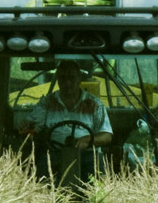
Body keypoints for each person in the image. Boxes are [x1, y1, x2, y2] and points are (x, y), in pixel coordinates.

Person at [19, 60, 113, 189]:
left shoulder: (94, 104)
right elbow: (33, 125)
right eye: (63, 78)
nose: (67, 83)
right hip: (55, 153)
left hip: (87, 155)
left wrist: (87, 140)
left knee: (98, 179)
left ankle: (96, 200)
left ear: (79, 79)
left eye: (72, 78)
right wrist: (28, 126)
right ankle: (44, 199)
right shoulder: (47, 102)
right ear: (58, 80)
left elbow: (107, 135)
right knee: (41, 178)